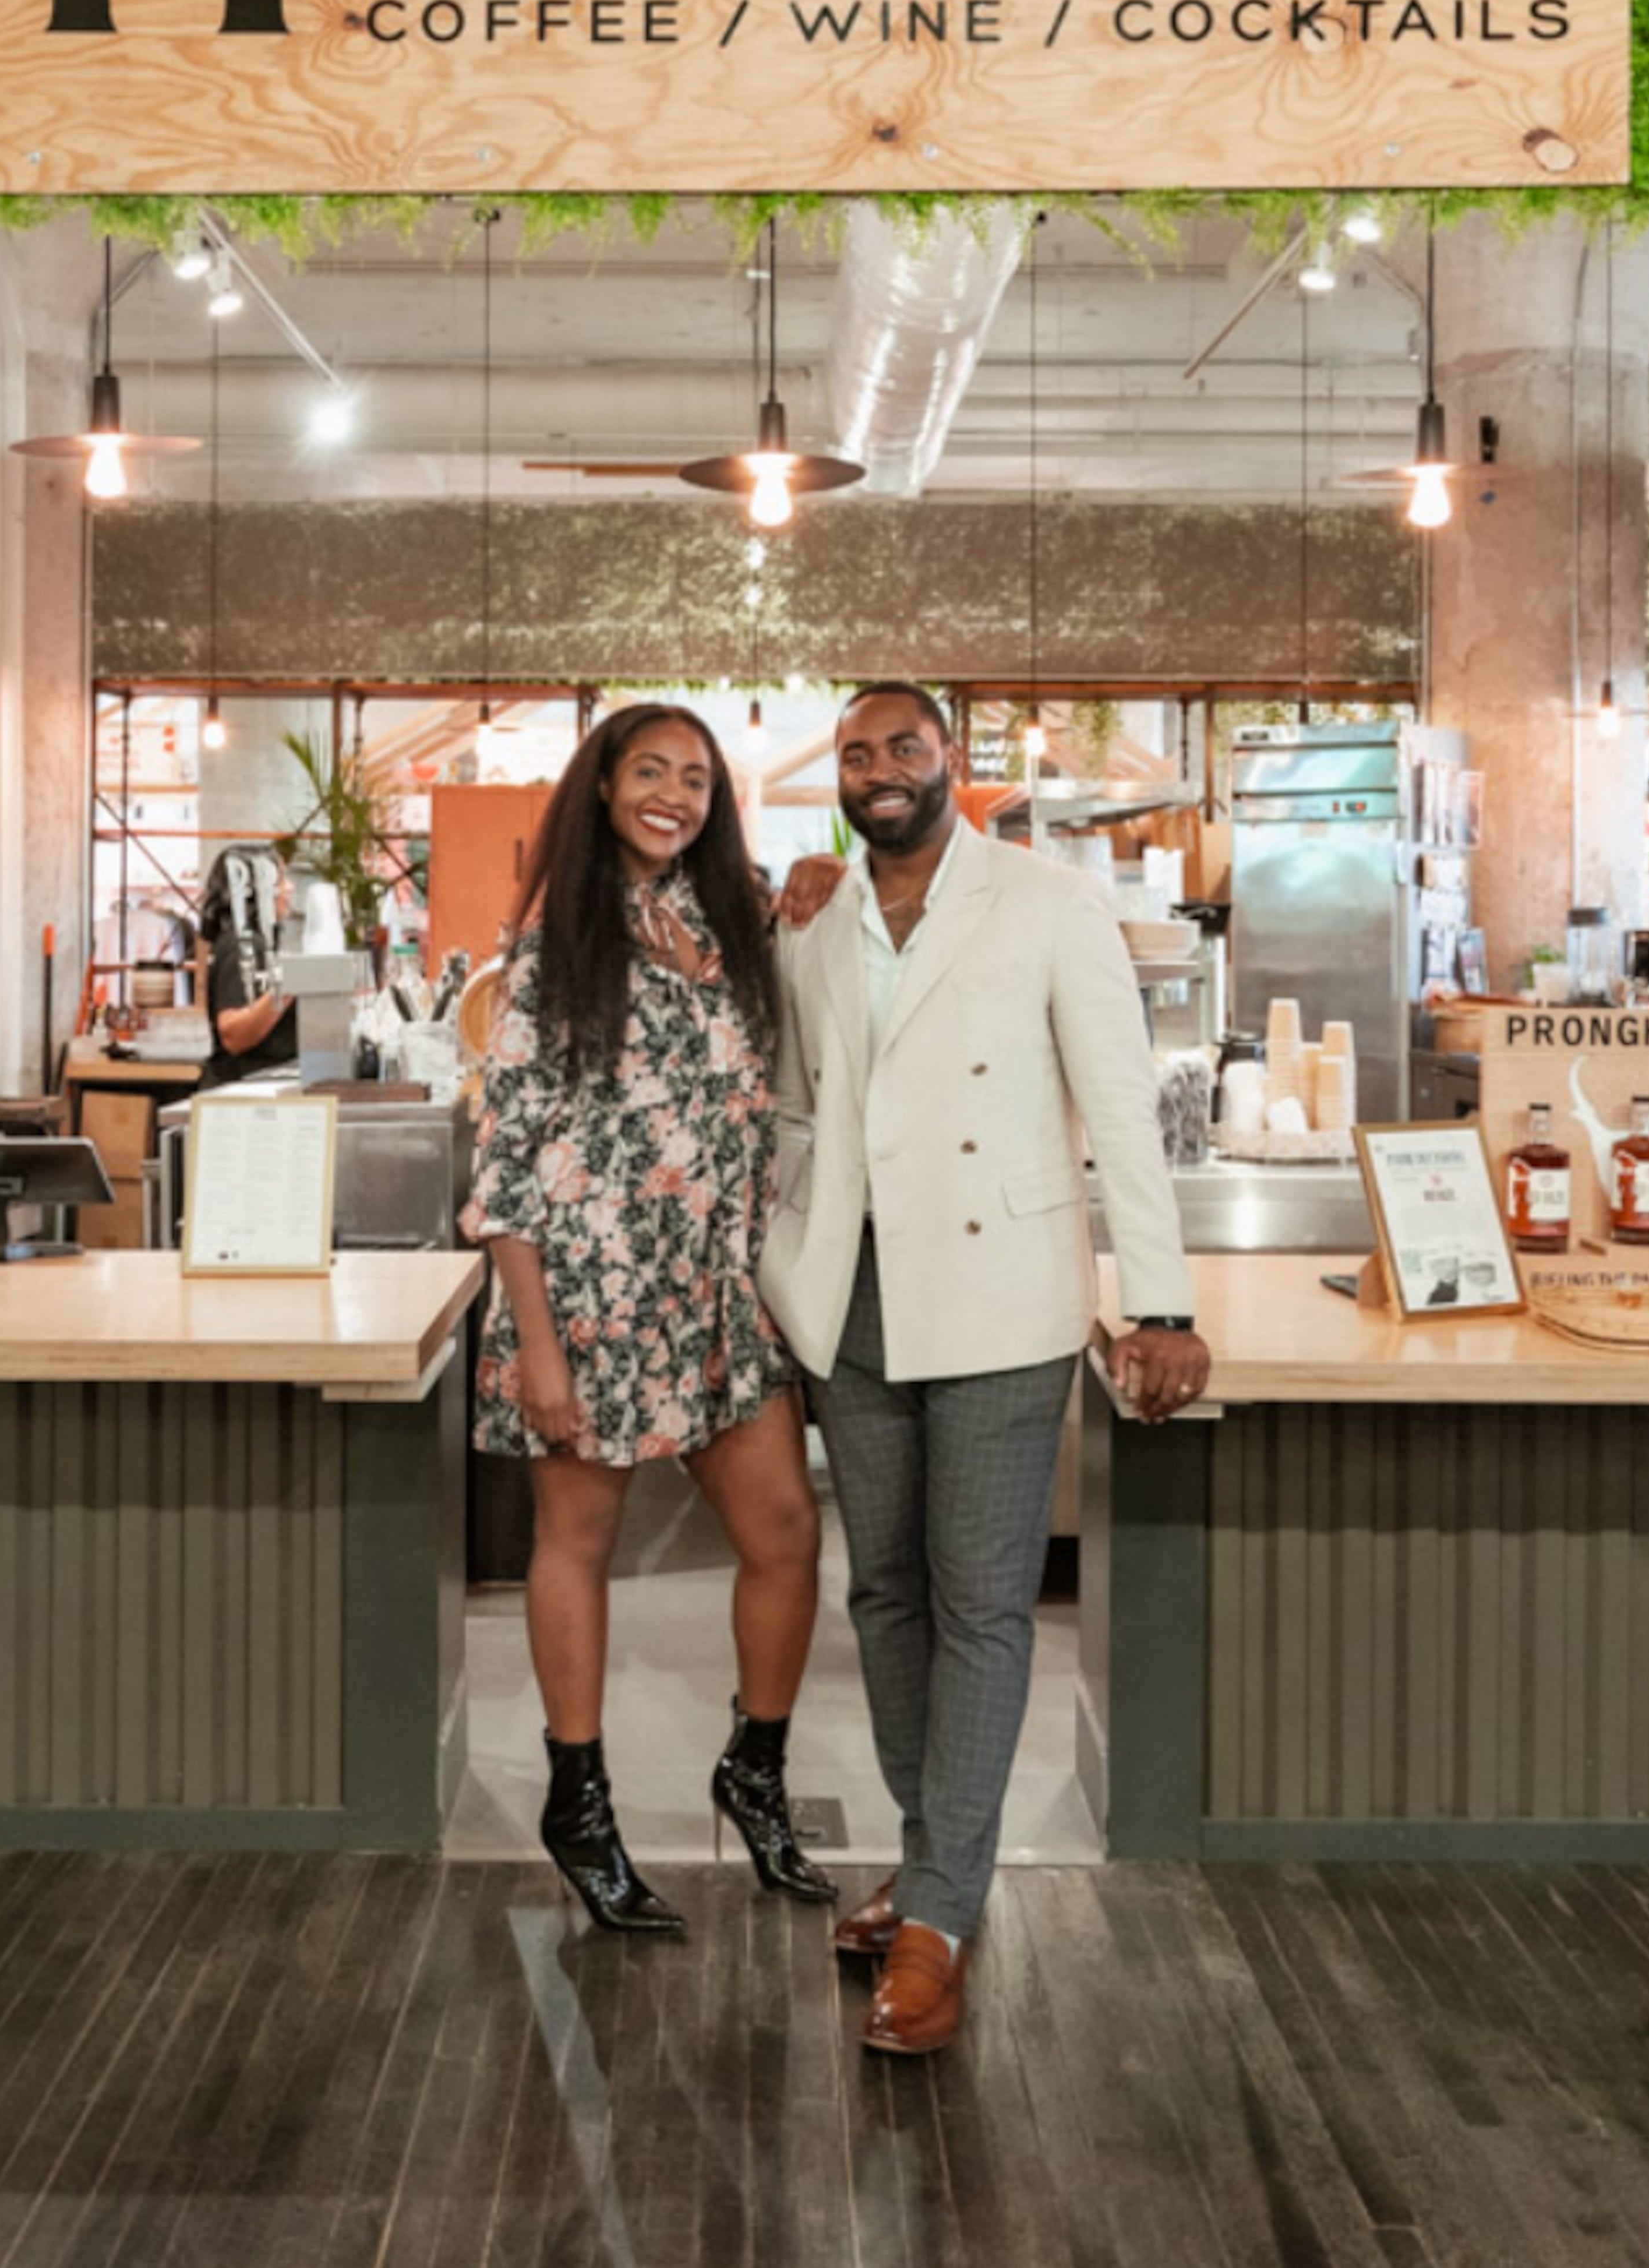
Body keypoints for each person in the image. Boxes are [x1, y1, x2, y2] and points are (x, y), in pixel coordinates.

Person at [763, 681, 1208, 2056]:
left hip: (1003, 1301)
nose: (879, 768)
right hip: (854, 1304)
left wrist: (1160, 1299)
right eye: (855, 751)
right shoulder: (817, 921)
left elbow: (1118, 1107)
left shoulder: (1045, 899)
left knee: (981, 1609)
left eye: (904, 745)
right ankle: (931, 1859)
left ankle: (940, 1916)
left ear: (954, 761)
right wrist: (779, 1282)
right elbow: (796, 1108)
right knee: (883, 1591)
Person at [462, 702, 834, 1937]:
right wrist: (541, 1351)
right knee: (580, 1540)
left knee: (785, 1529)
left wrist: (817, 900)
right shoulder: (555, 953)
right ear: (604, 787)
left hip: (719, 1290)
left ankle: (756, 1771)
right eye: (651, 772)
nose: (676, 794)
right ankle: (581, 1802)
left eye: (697, 778)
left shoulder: (732, 928)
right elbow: (507, 1168)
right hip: (588, 1293)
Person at [198, 845, 297, 1090]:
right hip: (241, 1093)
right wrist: (290, 984)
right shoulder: (241, 945)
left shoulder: (254, 943)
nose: (290, 888)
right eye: (281, 880)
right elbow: (233, 1034)